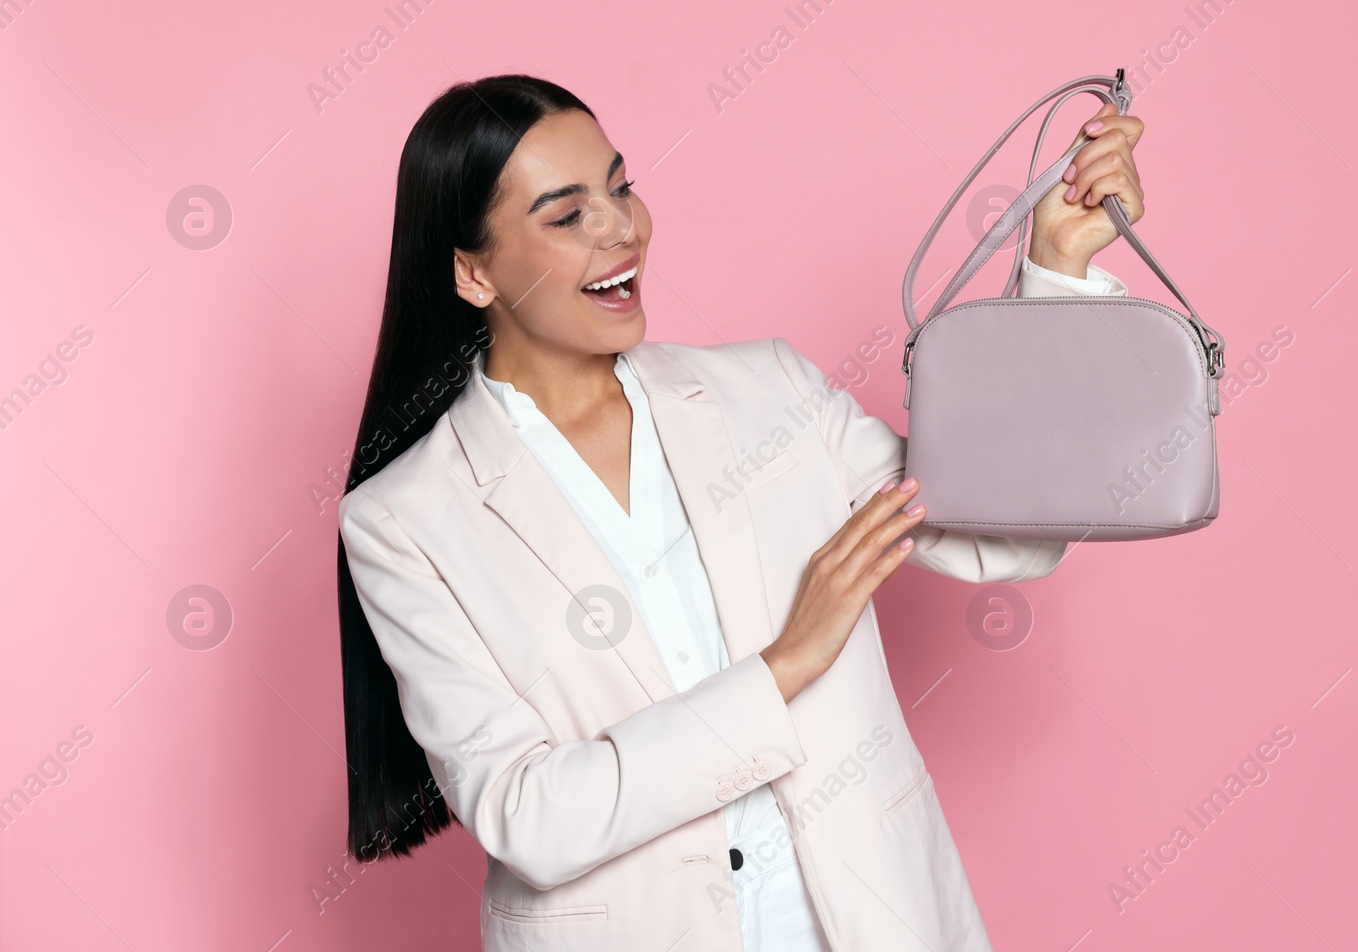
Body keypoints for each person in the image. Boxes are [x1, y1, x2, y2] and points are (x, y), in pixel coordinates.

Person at [335, 74, 1145, 951]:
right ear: (473, 270)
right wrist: (787, 662)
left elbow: (1005, 538)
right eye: (567, 216)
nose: (621, 228)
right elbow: (533, 817)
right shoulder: (402, 521)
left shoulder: (771, 393)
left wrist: (1057, 269)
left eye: (621, 186)